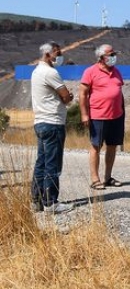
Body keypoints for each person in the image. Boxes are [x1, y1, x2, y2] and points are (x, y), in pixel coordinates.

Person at [30, 42, 75, 214]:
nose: (60, 56)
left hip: (40, 121)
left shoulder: (36, 72)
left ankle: (37, 200)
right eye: (58, 53)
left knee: (41, 162)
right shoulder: (50, 72)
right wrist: (68, 96)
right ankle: (51, 202)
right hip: (53, 122)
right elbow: (65, 96)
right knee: (52, 164)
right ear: (48, 54)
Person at [79, 44, 125, 190]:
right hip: (98, 115)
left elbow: (119, 91)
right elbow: (83, 94)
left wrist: (122, 110)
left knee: (112, 146)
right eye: (110, 54)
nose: (113, 57)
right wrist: (84, 114)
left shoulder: (116, 71)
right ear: (101, 57)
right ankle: (95, 179)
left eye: (114, 53)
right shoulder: (90, 72)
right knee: (96, 146)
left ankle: (107, 177)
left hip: (116, 116)